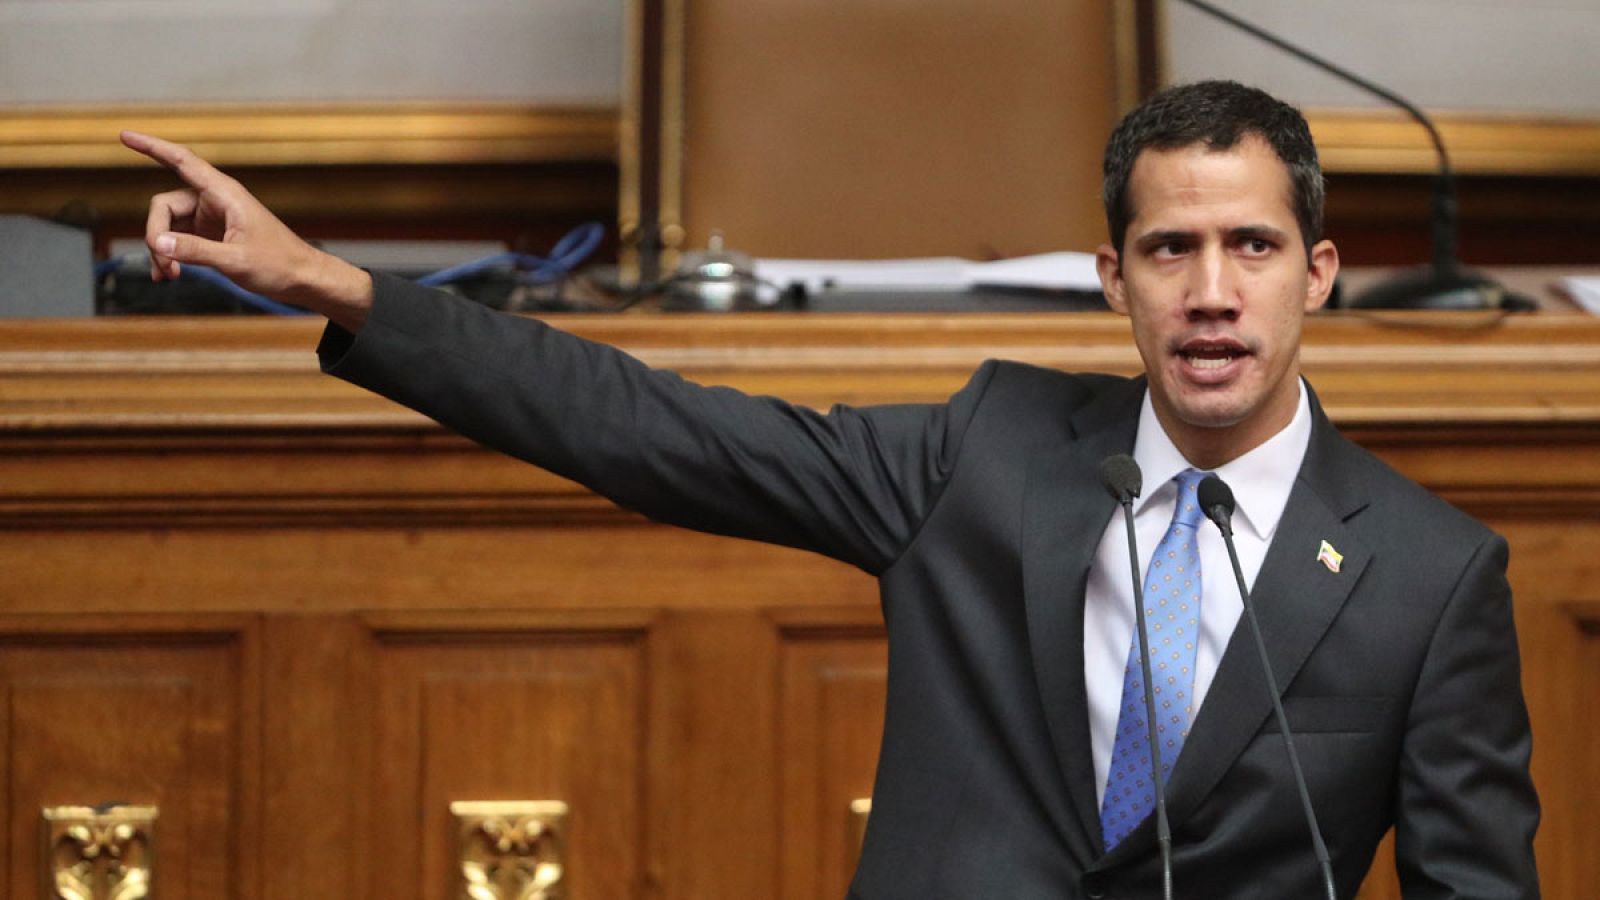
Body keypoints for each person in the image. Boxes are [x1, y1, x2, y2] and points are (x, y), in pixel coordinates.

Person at [122, 79, 1538, 898]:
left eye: (1253, 248)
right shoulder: (982, 457)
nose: (1214, 295)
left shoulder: (1428, 574)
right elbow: (643, 426)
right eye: (1171, 251)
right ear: (1114, 280)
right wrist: (329, 282)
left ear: (1321, 271)